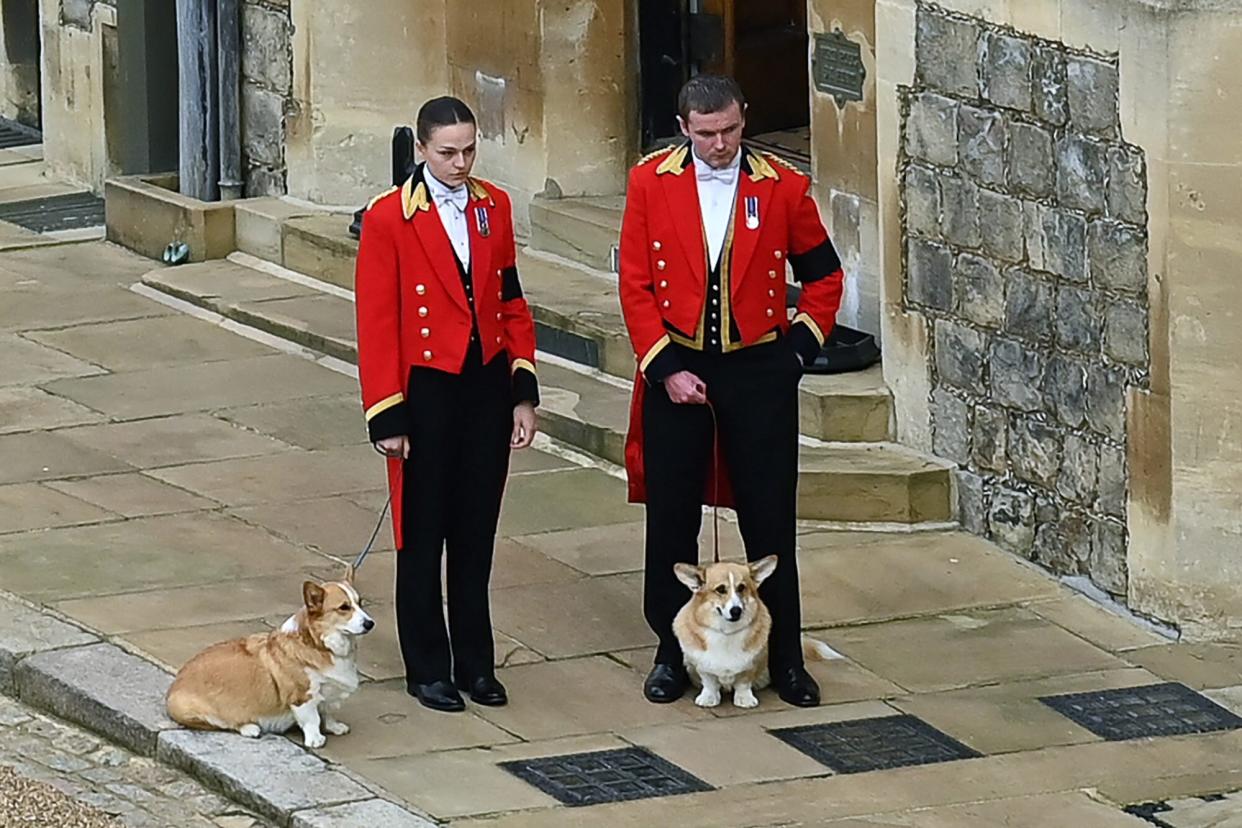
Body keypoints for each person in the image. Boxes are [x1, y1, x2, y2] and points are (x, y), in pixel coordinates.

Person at [619, 75, 844, 708]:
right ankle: (672, 653)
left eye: (731, 131)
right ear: (684, 126)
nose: (721, 145)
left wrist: (797, 350)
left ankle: (787, 657)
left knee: (771, 522)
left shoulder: (783, 186)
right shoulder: (648, 182)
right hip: (677, 368)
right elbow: (635, 284)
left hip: (756, 373)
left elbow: (825, 275)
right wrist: (663, 367)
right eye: (707, 133)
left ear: (744, 119)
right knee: (672, 522)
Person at [354, 96, 539, 713]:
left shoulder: (495, 207)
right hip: (425, 391)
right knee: (422, 534)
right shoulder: (388, 218)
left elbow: (510, 299)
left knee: (475, 533)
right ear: (422, 150)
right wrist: (387, 414)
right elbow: (376, 322)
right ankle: (427, 667)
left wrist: (522, 390)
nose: (461, 163)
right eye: (447, 152)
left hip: (484, 385)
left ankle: (476, 664)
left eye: (469, 150)